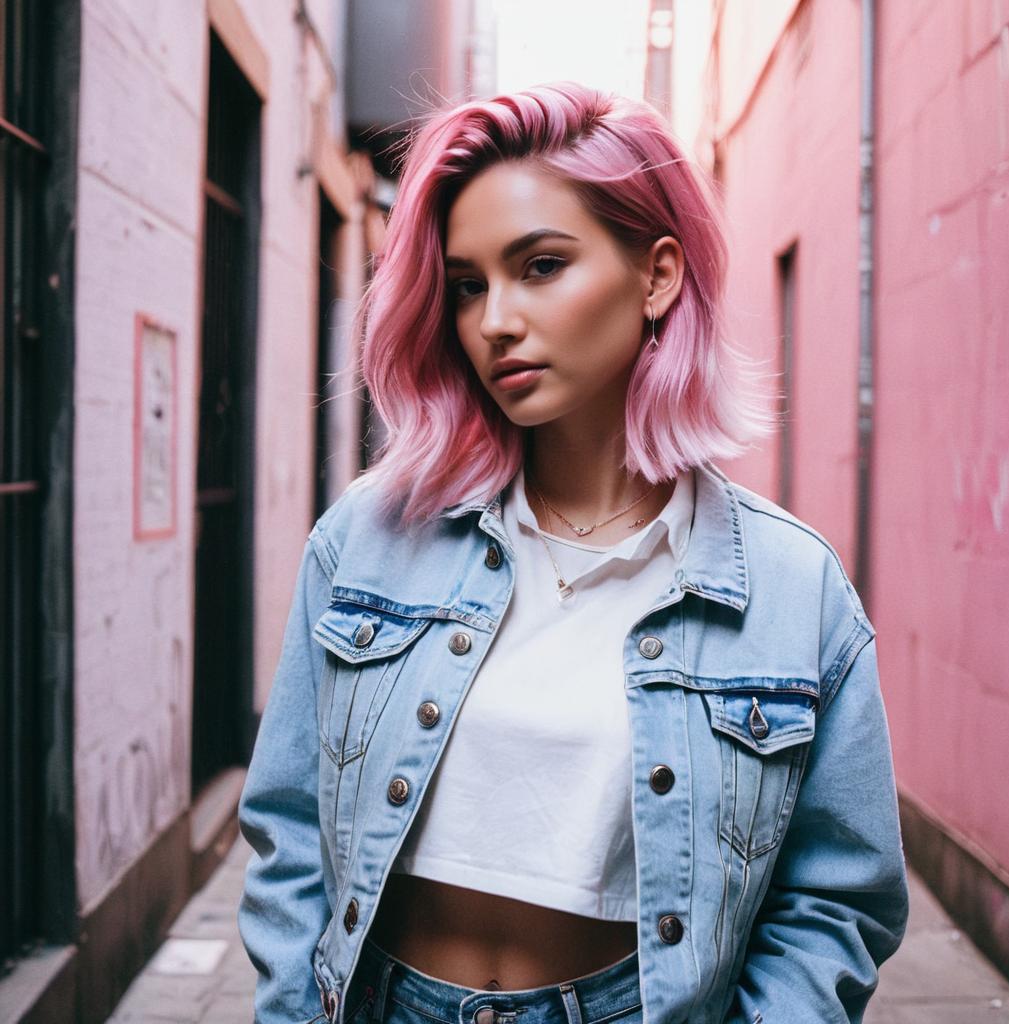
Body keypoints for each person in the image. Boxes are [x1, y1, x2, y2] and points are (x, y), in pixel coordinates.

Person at [237, 81, 908, 1024]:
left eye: (540, 266)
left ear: (658, 276)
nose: (494, 320)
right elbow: (290, 830)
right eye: (468, 285)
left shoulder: (793, 590)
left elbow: (836, 902)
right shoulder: (369, 539)